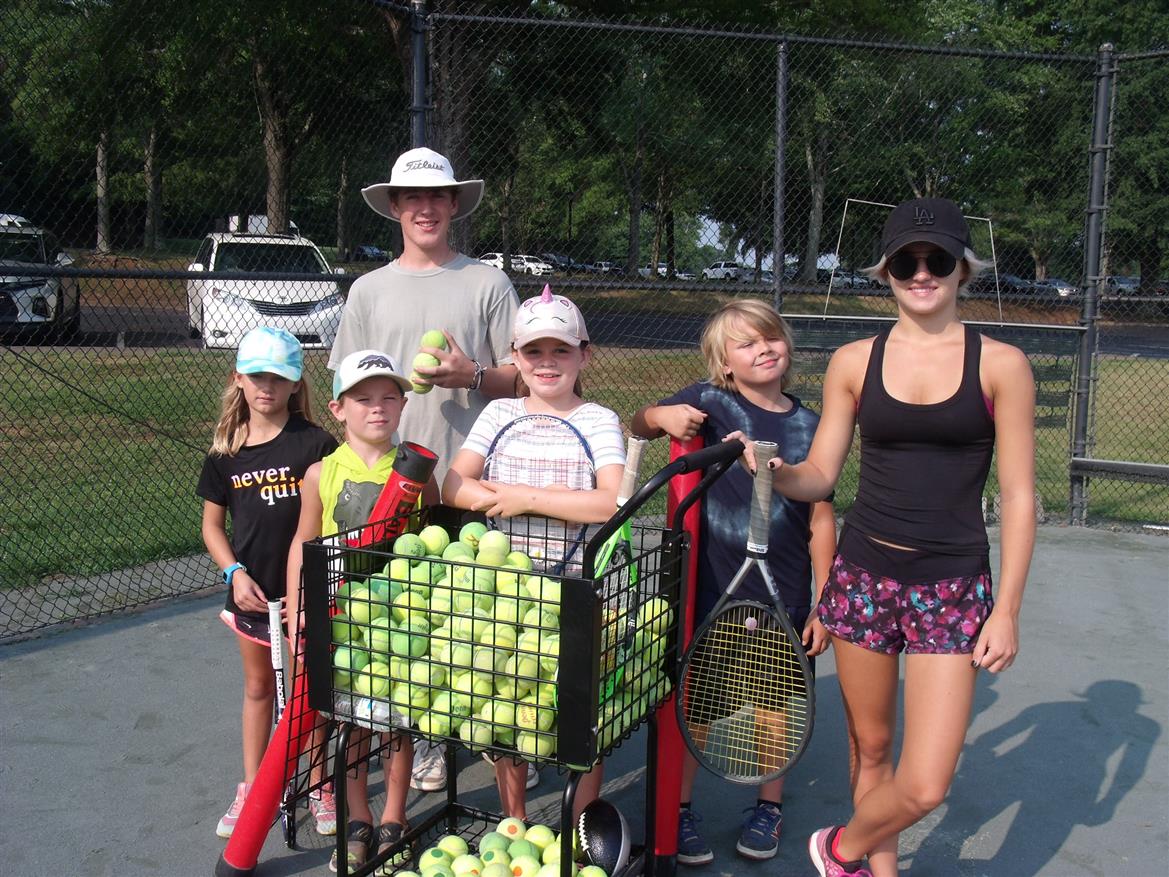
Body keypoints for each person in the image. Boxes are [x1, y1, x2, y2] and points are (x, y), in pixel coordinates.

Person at [740, 198, 1036, 877]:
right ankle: (876, 871)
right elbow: (820, 475)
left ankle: (838, 848)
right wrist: (774, 471)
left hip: (952, 585)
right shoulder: (853, 361)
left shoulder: (1001, 364)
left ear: (963, 269)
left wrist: (1007, 609)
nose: (922, 272)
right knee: (871, 749)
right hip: (863, 577)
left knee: (926, 783)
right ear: (886, 271)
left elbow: (1019, 495)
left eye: (938, 260)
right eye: (907, 261)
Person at [330, 145, 521, 792]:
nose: (425, 208)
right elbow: (347, 387)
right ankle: (417, 735)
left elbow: (527, 378)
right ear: (394, 207)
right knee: (403, 623)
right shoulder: (367, 291)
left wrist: (474, 374)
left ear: (454, 204)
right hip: (388, 488)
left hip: (467, 482)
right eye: (413, 197)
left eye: (437, 196)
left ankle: (482, 733)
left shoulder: (487, 283)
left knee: (470, 620)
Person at [630, 299, 836, 864]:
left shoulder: (811, 425)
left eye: (771, 337)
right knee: (697, 705)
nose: (763, 349)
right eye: (746, 344)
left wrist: (824, 600)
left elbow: (821, 516)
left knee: (776, 707)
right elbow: (639, 423)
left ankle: (768, 807)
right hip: (712, 589)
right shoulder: (710, 401)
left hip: (784, 591)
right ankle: (679, 810)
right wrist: (662, 416)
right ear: (724, 364)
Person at [442, 287, 626, 820]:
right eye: (534, 351)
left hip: (578, 591)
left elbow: (609, 501)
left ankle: (583, 828)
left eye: (561, 350)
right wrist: (530, 500)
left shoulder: (599, 419)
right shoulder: (499, 413)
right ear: (515, 358)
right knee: (509, 710)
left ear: (584, 355)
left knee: (581, 715)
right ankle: (515, 821)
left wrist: (526, 499)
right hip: (506, 592)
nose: (547, 363)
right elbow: (453, 486)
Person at [286, 349, 440, 874]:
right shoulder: (320, 473)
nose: (378, 408)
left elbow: (432, 546)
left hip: (400, 622)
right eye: (363, 398)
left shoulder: (419, 472)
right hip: (343, 618)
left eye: (389, 398)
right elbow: (303, 543)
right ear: (338, 409)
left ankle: (394, 820)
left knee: (397, 723)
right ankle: (359, 822)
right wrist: (298, 609)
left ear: (403, 406)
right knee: (353, 724)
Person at [196, 327, 339, 839]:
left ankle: (319, 784)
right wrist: (233, 574)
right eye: (257, 375)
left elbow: (329, 518)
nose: (267, 386)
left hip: (308, 595)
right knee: (258, 688)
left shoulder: (316, 443)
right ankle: (254, 787)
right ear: (238, 378)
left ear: (296, 383)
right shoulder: (225, 452)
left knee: (311, 694)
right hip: (252, 596)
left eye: (279, 377)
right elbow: (212, 527)